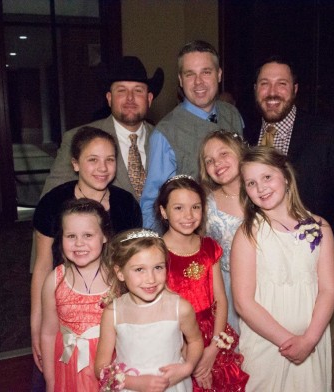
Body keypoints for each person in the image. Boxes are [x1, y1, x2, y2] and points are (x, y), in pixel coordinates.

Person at [251, 55, 334, 392]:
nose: (273, 92)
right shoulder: (243, 134)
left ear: (295, 90)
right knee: (269, 350)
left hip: (316, 265)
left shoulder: (327, 133)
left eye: (281, 84)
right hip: (263, 267)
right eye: (265, 84)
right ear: (255, 90)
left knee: (325, 348)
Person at [31, 127, 142, 382]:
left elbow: (133, 262)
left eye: (110, 159)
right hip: (65, 311)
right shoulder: (53, 203)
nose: (102, 168)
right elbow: (42, 267)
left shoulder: (126, 205)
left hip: (112, 309)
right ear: (75, 164)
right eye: (92, 159)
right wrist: (36, 327)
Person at [230, 146, 334, 391]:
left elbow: (329, 289)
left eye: (267, 177)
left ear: (286, 177)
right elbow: (243, 303)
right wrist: (289, 342)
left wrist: (308, 340)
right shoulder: (249, 233)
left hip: (312, 339)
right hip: (267, 342)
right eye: (251, 183)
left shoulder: (320, 228)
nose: (261, 188)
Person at [155, 175, 249, 391]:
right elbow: (161, 309)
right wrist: (192, 359)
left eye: (195, 207)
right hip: (177, 339)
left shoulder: (208, 246)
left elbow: (221, 300)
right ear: (163, 211)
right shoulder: (156, 252)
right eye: (178, 208)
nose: (188, 215)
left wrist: (213, 348)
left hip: (212, 335)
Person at [141, 40, 244, 229]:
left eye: (206, 72)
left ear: (219, 74)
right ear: (180, 80)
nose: (198, 82)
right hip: (196, 243)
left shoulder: (233, 114)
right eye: (190, 74)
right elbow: (152, 203)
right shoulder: (166, 132)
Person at [94, 228, 204, 392]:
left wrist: (187, 367)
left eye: (158, 268)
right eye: (139, 269)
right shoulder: (113, 313)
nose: (151, 279)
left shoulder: (180, 308)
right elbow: (100, 368)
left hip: (172, 386)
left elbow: (195, 341)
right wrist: (133, 382)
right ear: (120, 273)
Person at [42, 55, 164, 199]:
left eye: (138, 90)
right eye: (121, 90)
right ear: (109, 98)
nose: (130, 98)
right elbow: (50, 201)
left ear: (149, 99)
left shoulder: (165, 140)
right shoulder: (78, 138)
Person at [40, 198, 112, 392]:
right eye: (71, 236)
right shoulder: (54, 281)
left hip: (110, 367)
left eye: (88, 235)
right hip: (69, 368)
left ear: (104, 236)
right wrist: (50, 380)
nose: (79, 243)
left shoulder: (118, 279)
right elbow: (48, 333)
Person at [199, 129, 247, 333]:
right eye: (209, 160)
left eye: (223, 153)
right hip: (226, 287)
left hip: (265, 283)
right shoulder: (206, 205)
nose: (217, 163)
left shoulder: (262, 194)